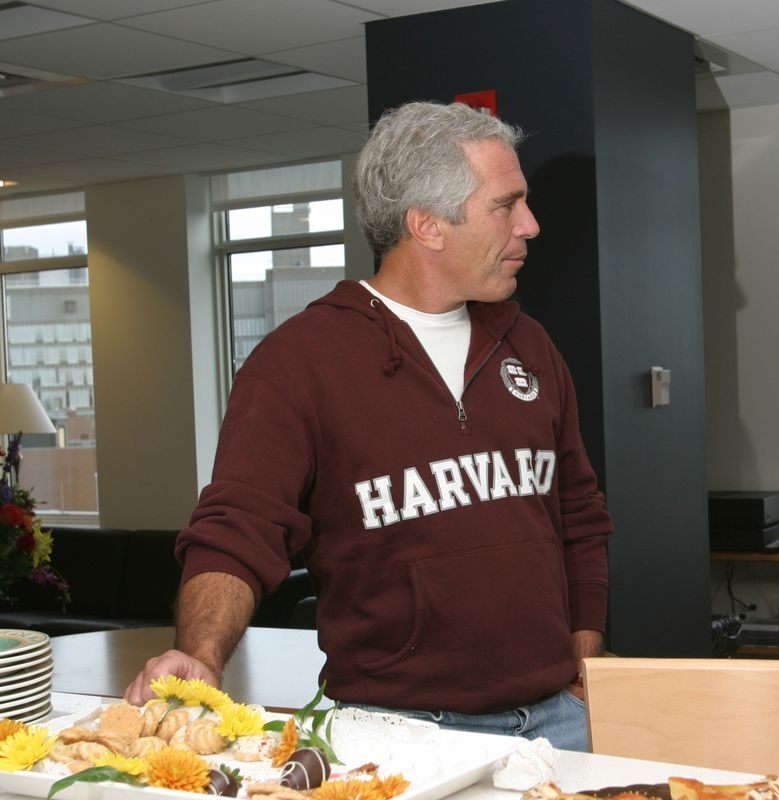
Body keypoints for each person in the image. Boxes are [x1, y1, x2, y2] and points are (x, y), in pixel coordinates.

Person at [124, 101, 612, 752]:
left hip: (558, 723)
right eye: (506, 205)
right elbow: (237, 530)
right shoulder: (298, 363)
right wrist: (202, 655)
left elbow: (578, 515)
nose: (530, 224)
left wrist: (584, 657)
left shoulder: (531, 345)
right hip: (395, 735)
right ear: (427, 225)